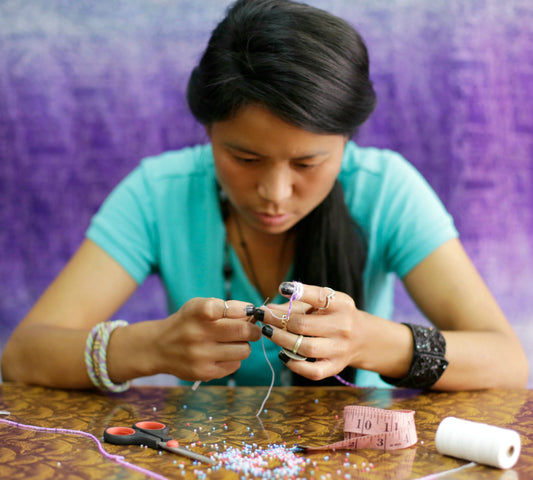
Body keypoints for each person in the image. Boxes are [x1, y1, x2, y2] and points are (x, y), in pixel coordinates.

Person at [1, 0, 528, 391]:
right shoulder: (158, 195)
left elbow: (508, 363)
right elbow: (24, 355)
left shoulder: (386, 189)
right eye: (245, 159)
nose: (274, 194)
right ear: (207, 132)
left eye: (308, 163)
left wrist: (370, 341)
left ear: (346, 143)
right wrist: (150, 347)